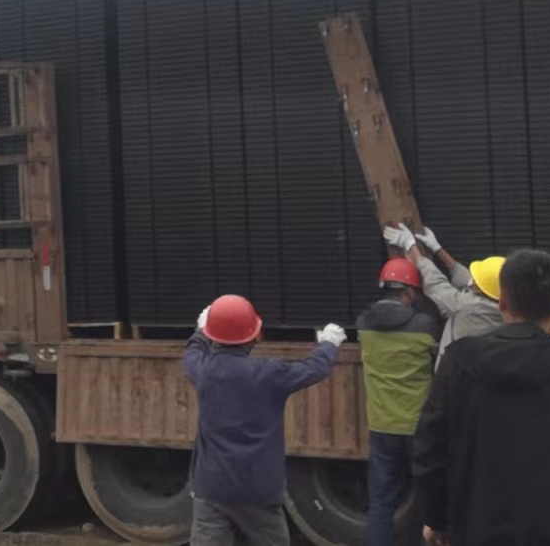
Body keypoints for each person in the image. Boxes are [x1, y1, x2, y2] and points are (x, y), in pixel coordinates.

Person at [411, 248, 550, 546]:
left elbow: (429, 453)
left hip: (481, 531)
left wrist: (438, 519)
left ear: (503, 303)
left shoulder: (458, 364)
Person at [186, 294, 346, 546]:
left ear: (213, 336)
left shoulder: (202, 371)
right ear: (254, 336)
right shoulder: (268, 374)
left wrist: (200, 330)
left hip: (212, 488)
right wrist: (328, 343)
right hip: (258, 489)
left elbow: (193, 351)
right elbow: (313, 369)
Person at [357, 258, 439, 546]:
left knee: (381, 501)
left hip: (382, 426)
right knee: (432, 497)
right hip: (419, 426)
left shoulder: (363, 324)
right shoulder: (425, 325)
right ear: (410, 292)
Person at [383, 224, 501, 360]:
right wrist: (438, 250)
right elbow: (467, 279)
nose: (472, 280)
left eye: (476, 280)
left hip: (457, 375)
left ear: (483, 289)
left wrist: (412, 248)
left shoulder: (468, 306)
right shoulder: (502, 302)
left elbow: (436, 284)